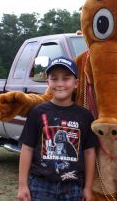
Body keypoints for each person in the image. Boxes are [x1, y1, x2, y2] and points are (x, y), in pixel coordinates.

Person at [17, 56, 98, 201]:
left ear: (76, 83)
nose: (60, 83)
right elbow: (27, 148)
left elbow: (89, 153)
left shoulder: (85, 116)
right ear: (48, 83)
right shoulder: (37, 112)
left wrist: (87, 187)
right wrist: (23, 185)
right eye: (54, 79)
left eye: (66, 78)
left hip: (73, 186)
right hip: (40, 184)